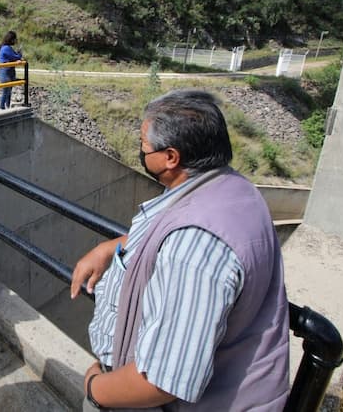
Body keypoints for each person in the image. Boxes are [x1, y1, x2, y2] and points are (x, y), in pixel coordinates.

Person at [71, 89, 289, 411]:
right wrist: (113, 246)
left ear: (170, 158)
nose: (140, 151)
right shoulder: (230, 190)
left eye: (144, 146)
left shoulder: (193, 249)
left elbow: (160, 382)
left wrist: (94, 386)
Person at [0, 31, 23, 110]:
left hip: (7, 72)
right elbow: (16, 57)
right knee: (6, 92)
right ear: (11, 39)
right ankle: (2, 107)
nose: (16, 41)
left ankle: (7, 106)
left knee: (8, 92)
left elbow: (12, 57)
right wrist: (20, 54)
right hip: (6, 73)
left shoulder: (6, 47)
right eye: (15, 39)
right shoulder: (6, 48)